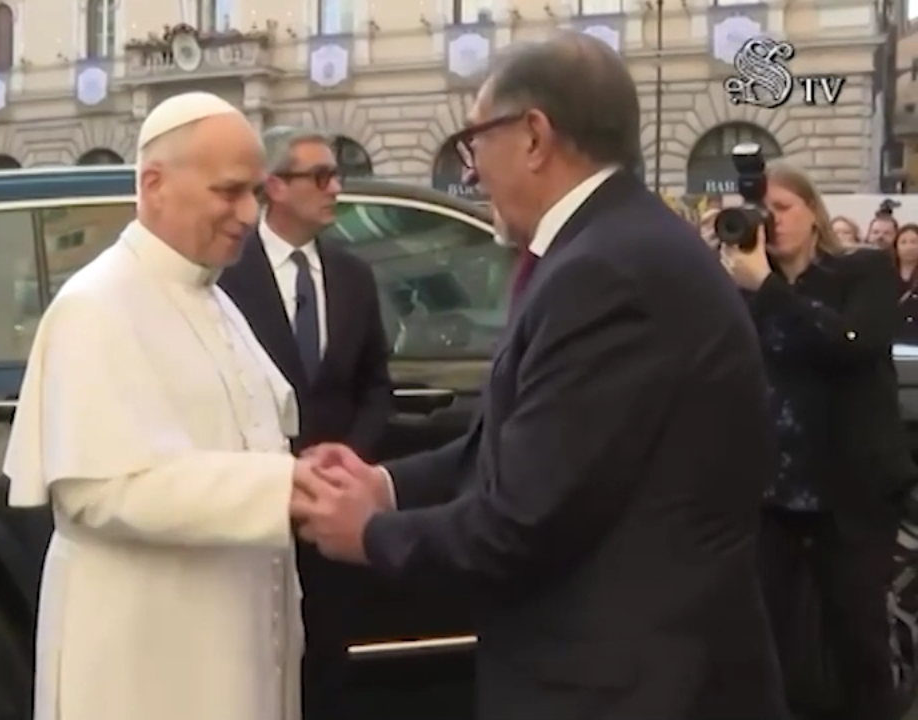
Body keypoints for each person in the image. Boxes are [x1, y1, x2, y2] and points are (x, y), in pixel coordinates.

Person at [289, 31, 787, 720]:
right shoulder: (607, 248)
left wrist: (370, 533)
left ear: (532, 137)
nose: (469, 171)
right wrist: (386, 482)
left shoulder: (606, 272)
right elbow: (520, 442)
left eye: (474, 142)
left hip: (626, 688)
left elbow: (523, 521)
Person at [3, 91, 326, 720]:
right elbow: (99, 491)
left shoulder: (214, 296)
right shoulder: (95, 305)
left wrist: (306, 475)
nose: (248, 214)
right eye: (229, 192)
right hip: (147, 656)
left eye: (256, 193)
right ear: (154, 185)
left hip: (230, 638)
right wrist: (281, 487)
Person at [720, 161, 915, 720]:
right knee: (761, 639)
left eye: (782, 209)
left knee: (857, 637)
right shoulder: (741, 288)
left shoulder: (863, 272)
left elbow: (851, 343)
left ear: (812, 213)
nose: (771, 222)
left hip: (849, 491)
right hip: (770, 492)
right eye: (761, 212)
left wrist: (768, 288)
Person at [219, 125, 392, 720]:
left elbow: (375, 386)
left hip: (333, 509)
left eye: (335, 174)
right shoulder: (226, 275)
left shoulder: (353, 276)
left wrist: (347, 463)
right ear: (275, 187)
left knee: (328, 665)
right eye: (320, 177)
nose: (335, 188)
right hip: (255, 506)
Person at [897, 224, 918, 344]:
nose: (909, 247)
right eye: (903, 242)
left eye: (914, 242)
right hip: (892, 336)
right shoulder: (886, 273)